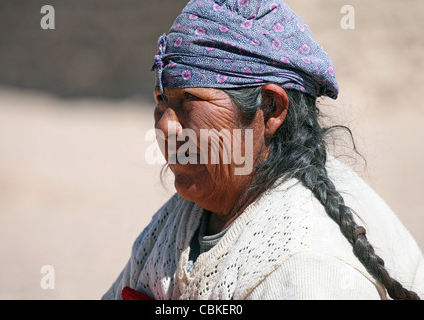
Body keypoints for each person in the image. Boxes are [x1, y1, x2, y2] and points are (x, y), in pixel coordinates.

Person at [102, 0, 423, 300]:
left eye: (189, 98)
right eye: (161, 99)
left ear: (270, 109)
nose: (165, 127)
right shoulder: (184, 218)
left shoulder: (310, 268)